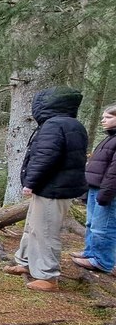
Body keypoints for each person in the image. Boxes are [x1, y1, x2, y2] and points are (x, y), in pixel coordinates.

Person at [3, 87, 88, 292]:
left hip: (53, 188)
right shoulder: (72, 124)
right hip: (53, 186)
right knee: (32, 226)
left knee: (45, 231)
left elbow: (45, 157)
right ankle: (24, 263)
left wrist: (30, 182)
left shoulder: (54, 125)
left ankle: (48, 277)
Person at [71, 104, 116, 276]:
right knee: (91, 223)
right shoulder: (109, 138)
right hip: (95, 188)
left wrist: (106, 193)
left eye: (108, 117)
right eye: (103, 117)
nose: (103, 120)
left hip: (107, 191)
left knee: (104, 227)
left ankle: (102, 261)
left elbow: (114, 172)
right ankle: (90, 252)